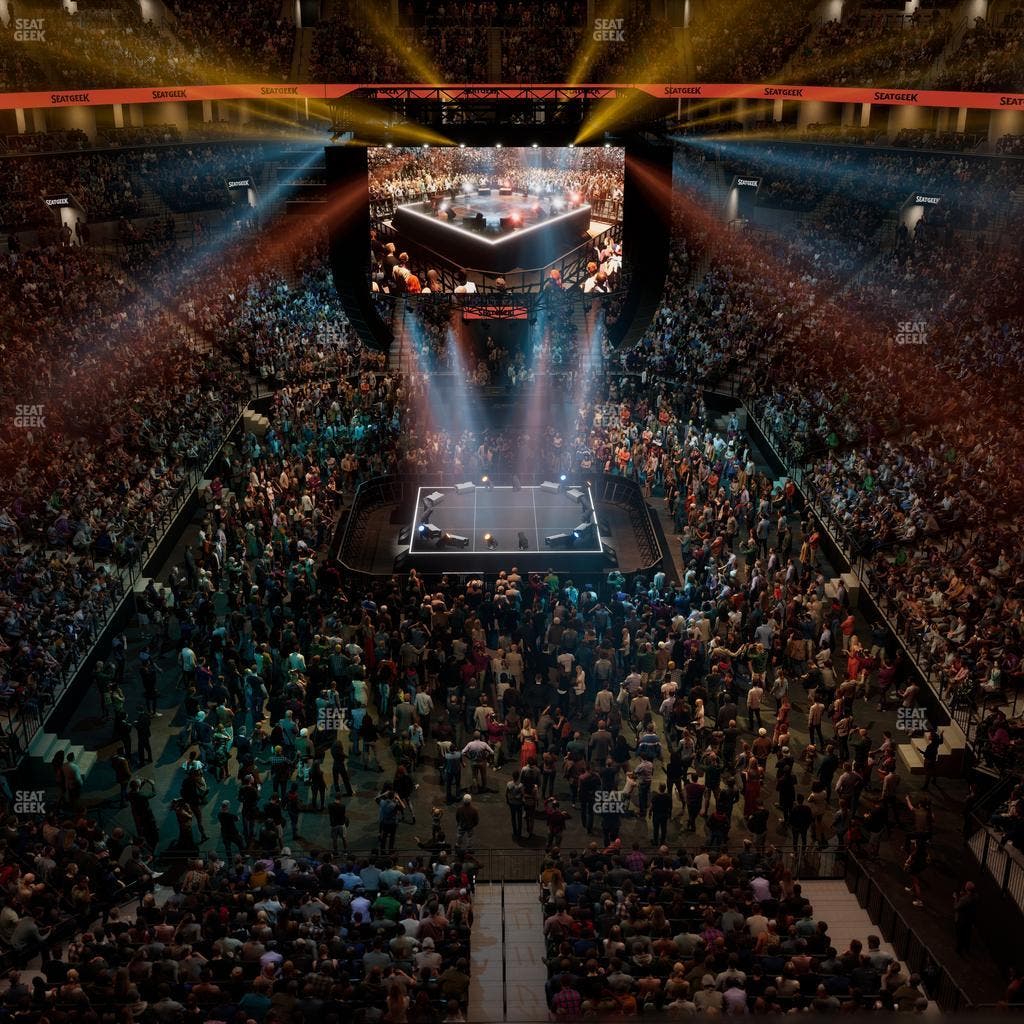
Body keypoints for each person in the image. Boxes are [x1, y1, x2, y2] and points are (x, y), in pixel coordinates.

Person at [953, 881, 978, 955]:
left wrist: (955, 898)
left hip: (961, 919)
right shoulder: (976, 897)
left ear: (967, 888)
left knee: (960, 935)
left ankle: (958, 951)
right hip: (969, 919)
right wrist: (964, 895)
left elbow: (956, 907)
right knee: (967, 935)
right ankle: (967, 950)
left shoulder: (964, 899)